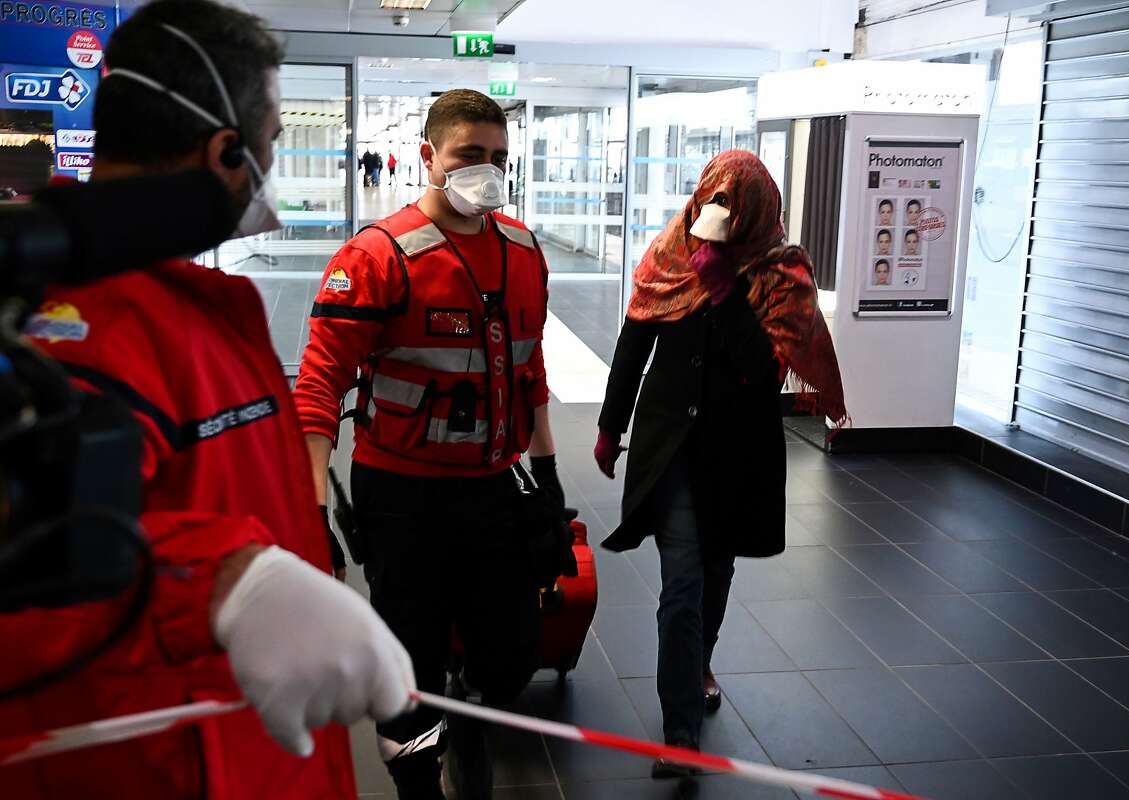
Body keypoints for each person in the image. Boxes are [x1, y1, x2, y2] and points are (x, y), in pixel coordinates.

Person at [0, 3, 418, 798]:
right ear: (224, 150)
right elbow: (35, 558)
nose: (268, 161)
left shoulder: (199, 305)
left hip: (253, 743)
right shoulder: (81, 324)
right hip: (162, 763)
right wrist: (225, 583)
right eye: (268, 142)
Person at [294, 88, 565, 799]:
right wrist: (309, 507)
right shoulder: (377, 257)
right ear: (428, 158)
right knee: (407, 665)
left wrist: (549, 475)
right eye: (469, 156)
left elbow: (531, 371)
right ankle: (418, 779)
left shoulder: (524, 252)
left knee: (512, 654)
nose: (488, 171)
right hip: (403, 497)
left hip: (495, 487)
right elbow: (319, 389)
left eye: (499, 158)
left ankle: (471, 716)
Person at [594, 150, 847, 779]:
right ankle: (679, 729)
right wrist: (609, 424)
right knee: (681, 581)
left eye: (735, 207)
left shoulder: (783, 274)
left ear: (758, 211)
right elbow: (636, 335)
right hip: (672, 447)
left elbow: (761, 374)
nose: (721, 217)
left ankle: (698, 659)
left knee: (714, 569)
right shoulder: (673, 251)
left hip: (737, 452)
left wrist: (726, 291)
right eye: (716, 201)